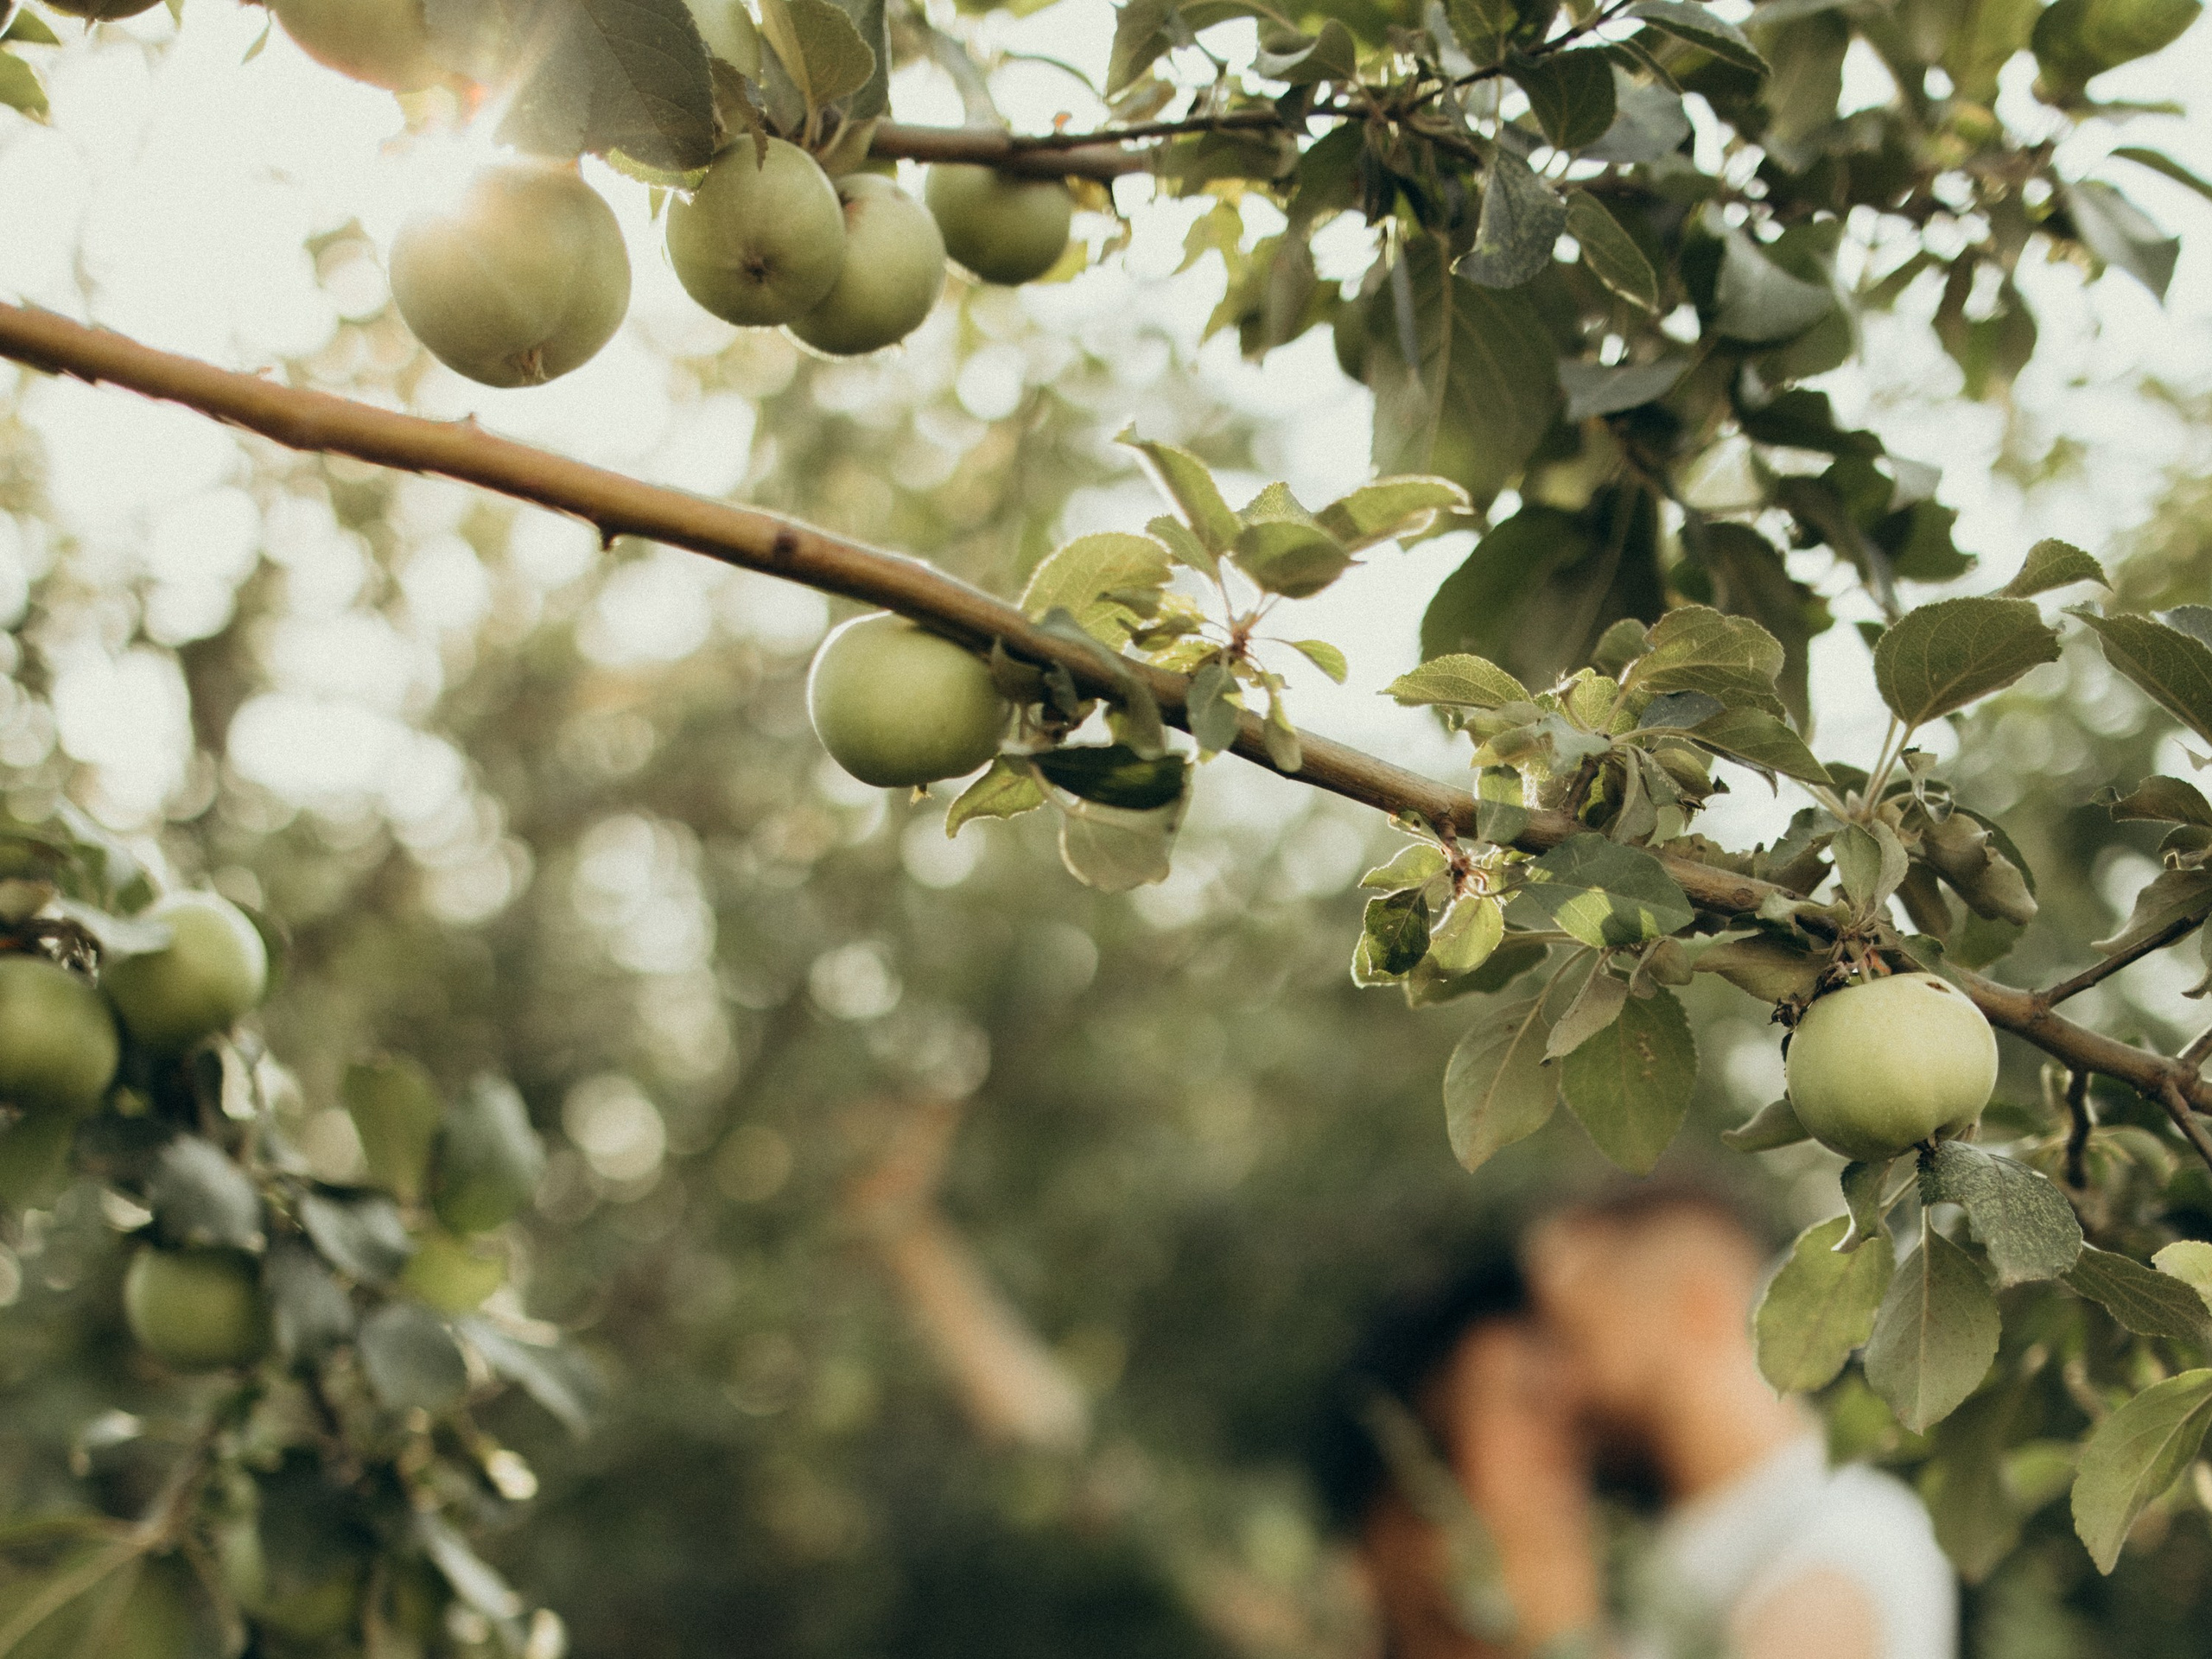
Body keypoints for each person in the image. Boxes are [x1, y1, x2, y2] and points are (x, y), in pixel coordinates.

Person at [1321, 1187, 1957, 1659]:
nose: (1564, 1386)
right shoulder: (1656, 1549)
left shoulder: (1850, 1529)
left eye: (1575, 1336)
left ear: (1698, 1307)